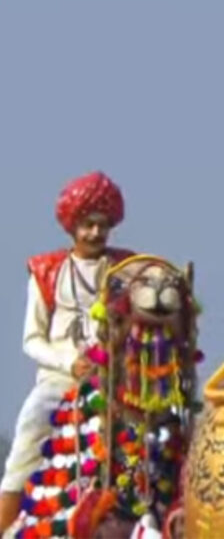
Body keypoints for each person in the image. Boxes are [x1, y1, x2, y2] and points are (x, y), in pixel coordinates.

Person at [0, 171, 135, 532]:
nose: (95, 233)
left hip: (115, 379)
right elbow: (32, 340)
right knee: (30, 425)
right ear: (73, 226)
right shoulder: (47, 271)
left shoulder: (127, 270)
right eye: (88, 225)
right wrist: (70, 363)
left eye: (102, 225)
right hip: (59, 380)